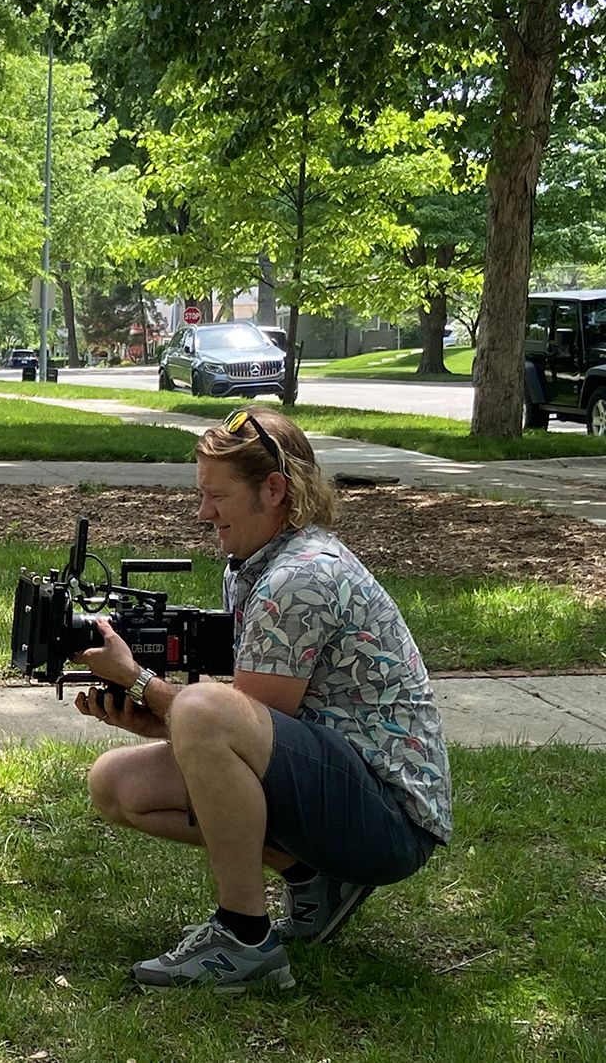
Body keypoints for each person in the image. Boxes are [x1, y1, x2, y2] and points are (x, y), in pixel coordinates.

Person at [72, 408, 451, 991]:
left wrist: (143, 683)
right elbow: (239, 744)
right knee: (118, 785)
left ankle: (244, 939)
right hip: (341, 784)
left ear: (274, 490)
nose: (203, 513)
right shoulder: (259, 563)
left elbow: (240, 723)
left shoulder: (300, 576)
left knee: (202, 704)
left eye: (216, 496)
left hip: (390, 817)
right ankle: (315, 880)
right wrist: (151, 716)